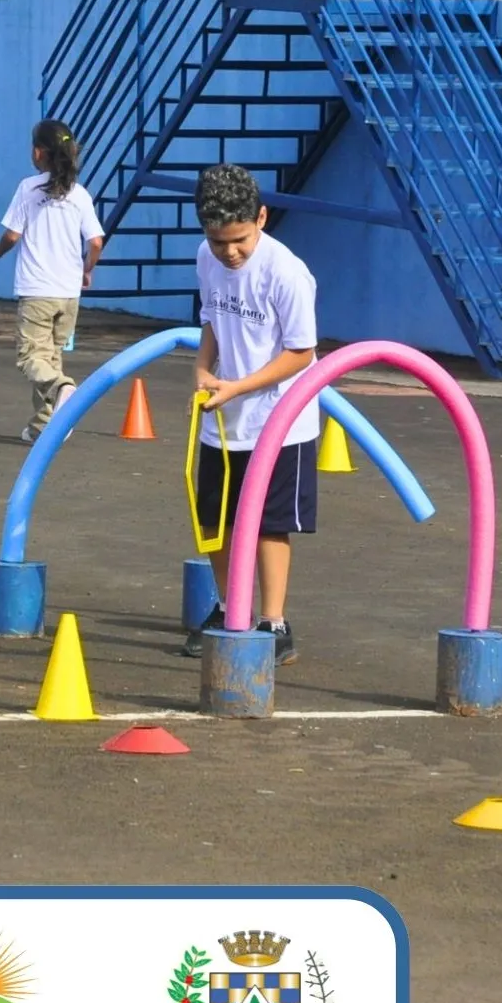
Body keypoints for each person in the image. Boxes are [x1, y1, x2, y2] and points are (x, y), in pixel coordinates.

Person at [179, 164, 319, 667]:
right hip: (224, 416)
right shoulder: (207, 258)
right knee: (216, 519)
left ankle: (274, 622)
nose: (229, 252)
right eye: (218, 241)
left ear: (261, 217)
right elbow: (212, 318)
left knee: (267, 525)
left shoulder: (286, 273)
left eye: (238, 239)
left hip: (281, 421)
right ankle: (226, 606)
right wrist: (202, 366)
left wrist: (238, 385)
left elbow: (301, 352)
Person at [0, 118, 104, 443]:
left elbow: (12, 235)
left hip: (38, 290)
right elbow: (95, 242)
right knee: (50, 357)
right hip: (68, 294)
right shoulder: (79, 195)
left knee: (31, 357)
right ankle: (44, 427)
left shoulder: (29, 188)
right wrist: (87, 270)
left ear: (39, 153)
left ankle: (62, 388)